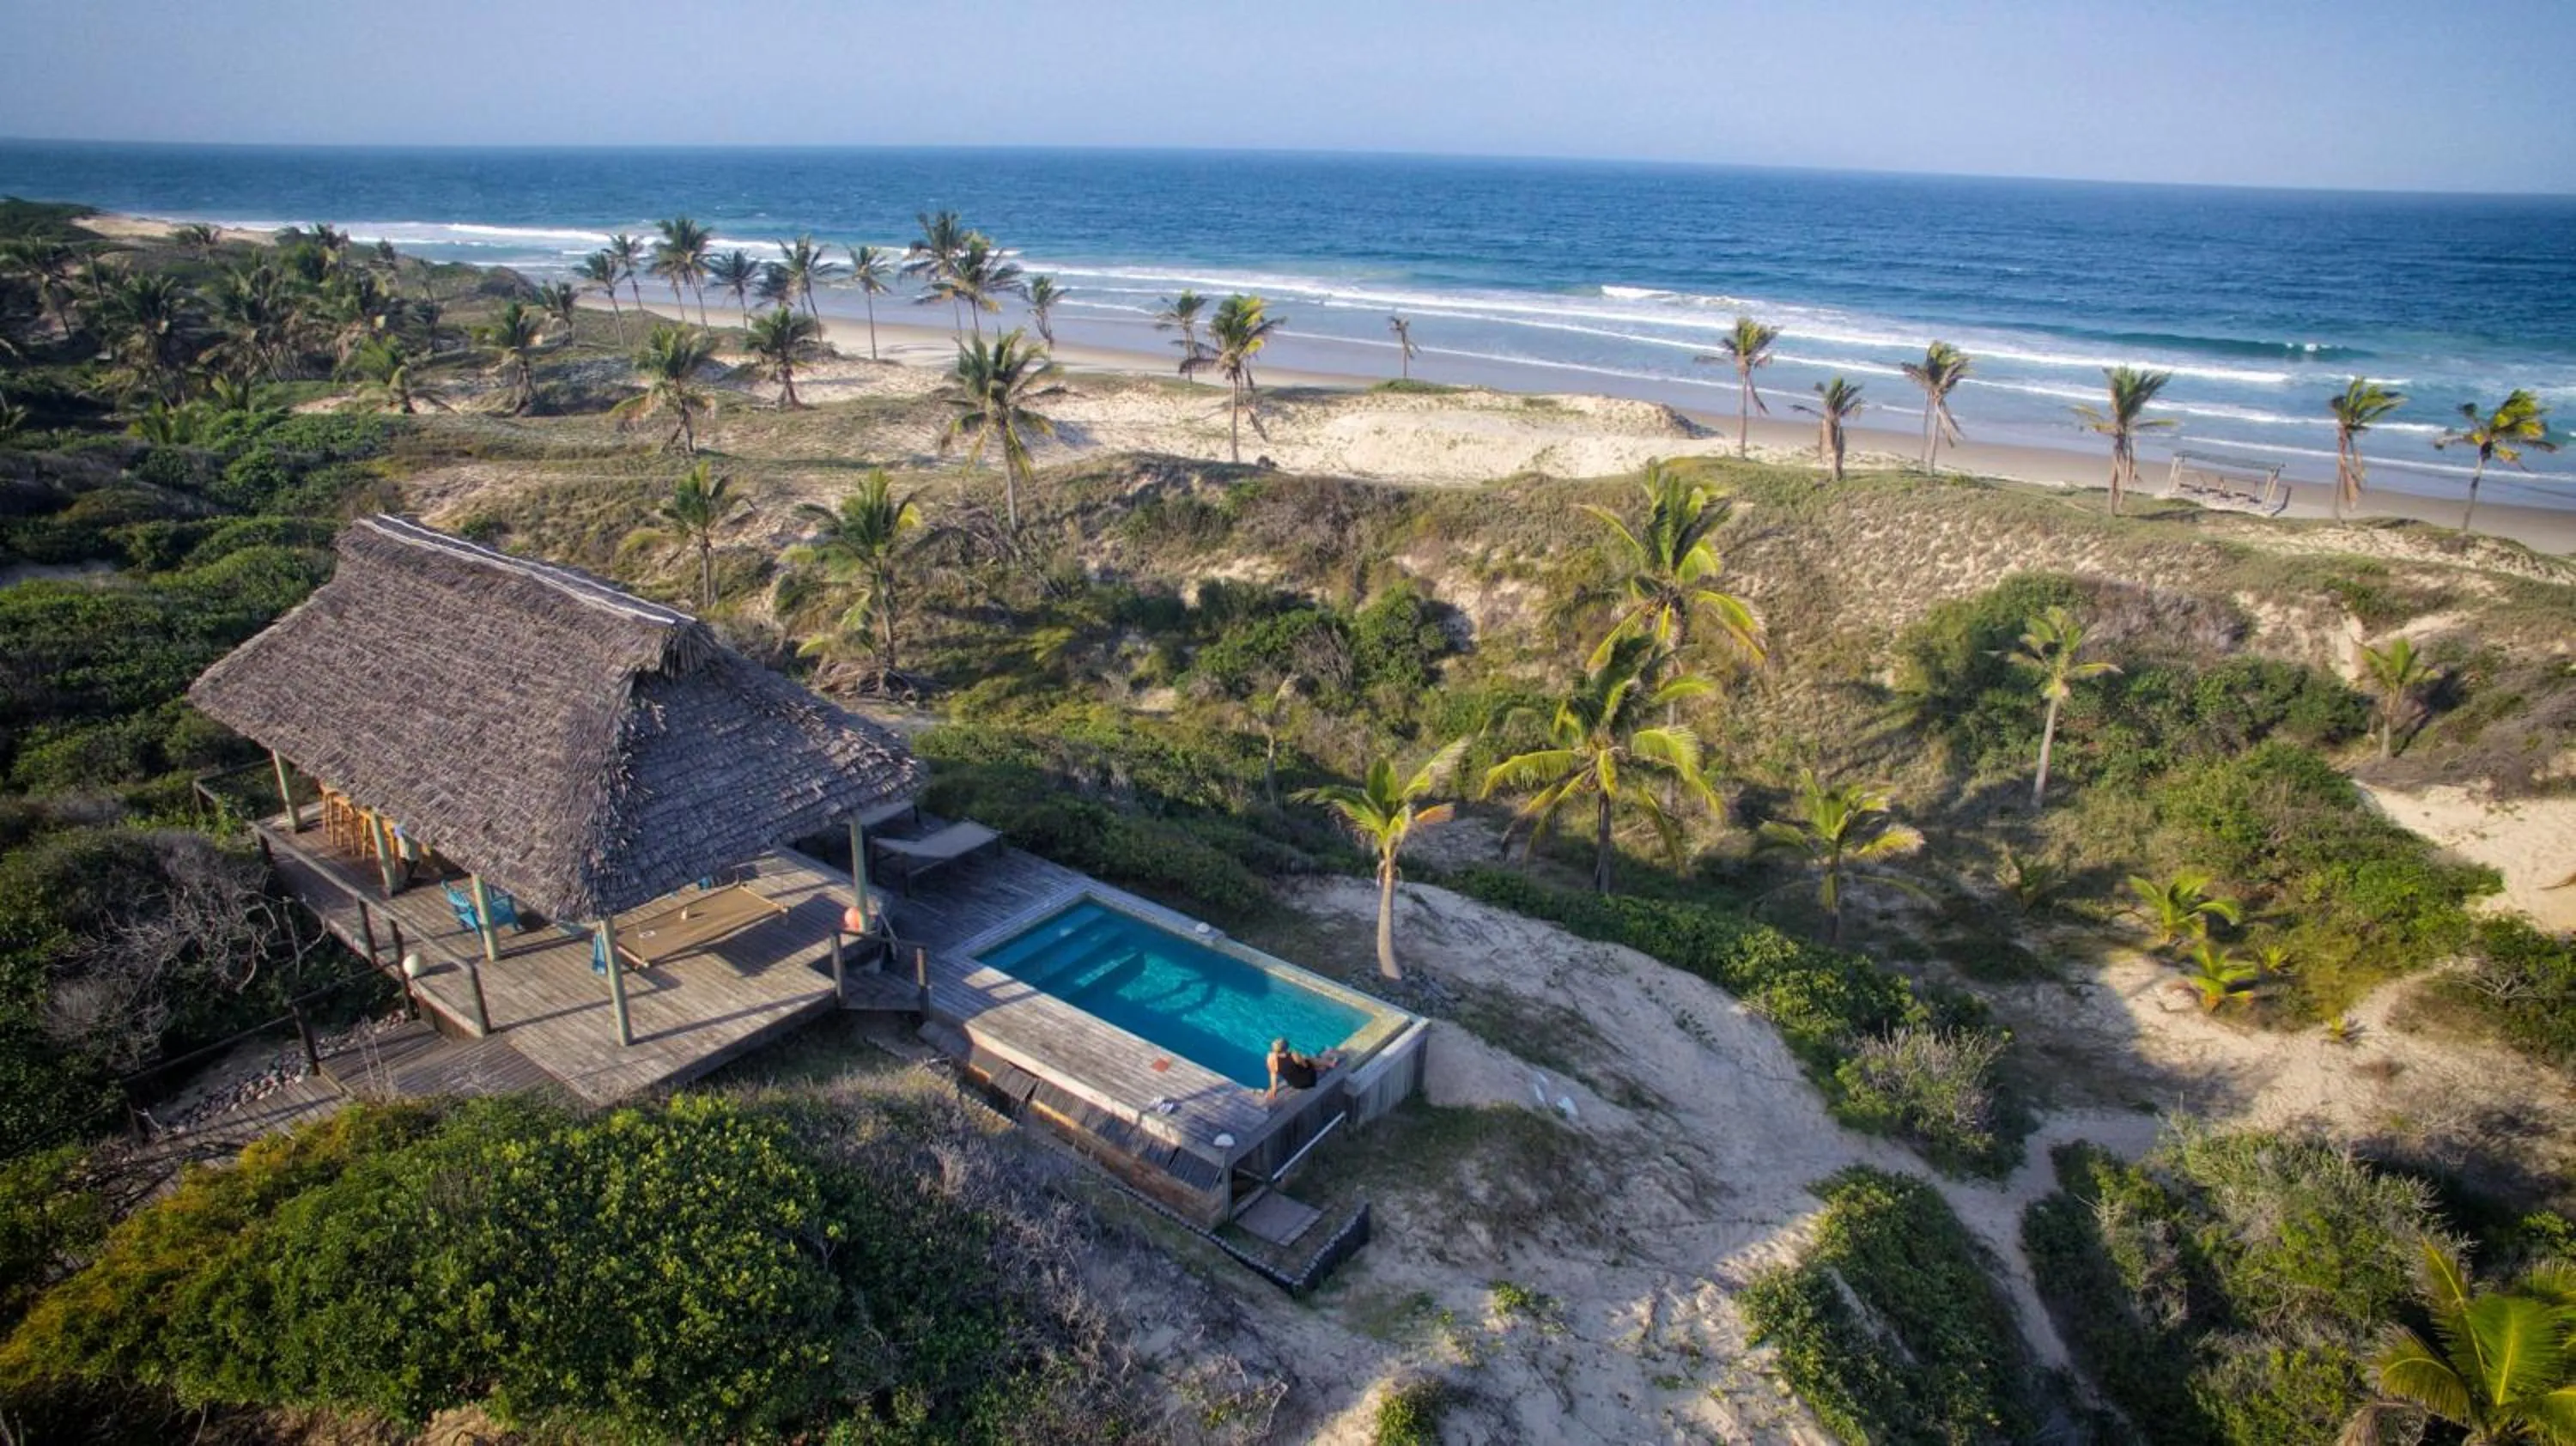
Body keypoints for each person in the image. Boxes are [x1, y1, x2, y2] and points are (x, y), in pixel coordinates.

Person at [1264, 1037, 1342, 1103]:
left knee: (1304, 1062)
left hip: (1295, 1084)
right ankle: (1330, 1063)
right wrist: (1304, 1058)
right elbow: (1305, 1066)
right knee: (1308, 1058)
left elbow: (1273, 1074)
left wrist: (1274, 1089)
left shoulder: (1270, 1059)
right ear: (1286, 1047)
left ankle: (1321, 1067)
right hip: (1308, 1081)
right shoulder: (1293, 1054)